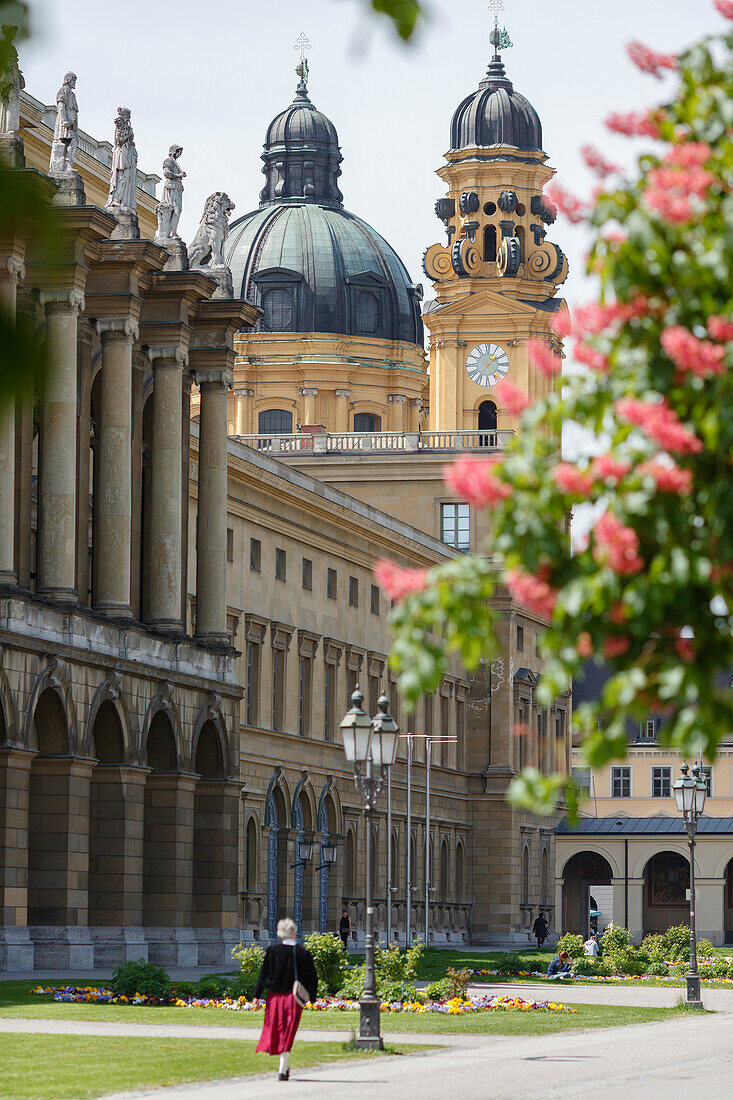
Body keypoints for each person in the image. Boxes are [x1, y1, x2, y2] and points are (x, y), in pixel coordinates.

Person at [252, 918, 318, 1082]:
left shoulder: (272, 951)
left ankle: (284, 1064)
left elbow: (263, 975)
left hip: (274, 997)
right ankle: (283, 1066)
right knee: (289, 1031)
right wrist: (313, 998)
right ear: (294, 933)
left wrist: (256, 996)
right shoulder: (303, 953)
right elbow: (312, 978)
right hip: (293, 998)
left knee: (277, 1029)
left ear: (280, 933)